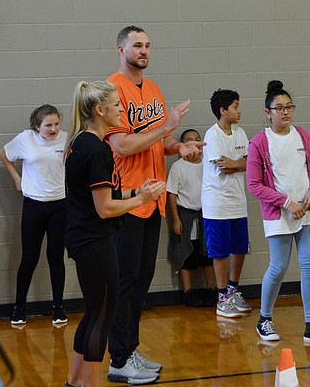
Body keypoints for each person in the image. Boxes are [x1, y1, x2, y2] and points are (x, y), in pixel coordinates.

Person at [105, 26, 202, 383]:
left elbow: (156, 141)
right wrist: (167, 130)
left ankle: (129, 349)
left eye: (148, 45)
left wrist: (180, 147)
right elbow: (122, 146)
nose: (144, 50)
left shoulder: (155, 89)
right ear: (121, 49)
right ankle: (118, 359)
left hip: (153, 198)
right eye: (137, 45)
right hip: (127, 200)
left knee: (141, 280)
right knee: (124, 281)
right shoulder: (112, 88)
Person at [64, 80, 166, 387]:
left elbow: (103, 195)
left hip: (84, 238)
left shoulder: (81, 142)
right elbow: (105, 208)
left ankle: (74, 383)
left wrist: (135, 190)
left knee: (94, 313)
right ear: (100, 110)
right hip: (94, 241)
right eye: (117, 106)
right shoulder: (97, 149)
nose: (122, 110)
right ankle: (89, 383)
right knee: (102, 317)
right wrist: (142, 200)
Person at [247, 81, 310, 346]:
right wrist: (286, 202)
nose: (285, 112)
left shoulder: (304, 136)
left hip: (308, 212)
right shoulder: (259, 142)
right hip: (279, 214)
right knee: (279, 266)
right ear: (268, 112)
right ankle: (264, 319)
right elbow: (254, 185)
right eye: (279, 108)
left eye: (289, 107)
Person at [0, 105, 69, 325]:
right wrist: (17, 179)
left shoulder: (67, 139)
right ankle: (19, 307)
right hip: (34, 206)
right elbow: (4, 154)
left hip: (59, 205)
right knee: (29, 258)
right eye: (48, 125)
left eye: (56, 124)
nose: (53, 129)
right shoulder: (25, 139)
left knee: (56, 257)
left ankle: (58, 306)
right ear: (37, 126)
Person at [201, 89, 250, 319]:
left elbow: (250, 164)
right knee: (219, 251)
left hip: (238, 200)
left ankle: (233, 289)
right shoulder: (211, 135)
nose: (239, 111)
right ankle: (221, 297)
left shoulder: (240, 134)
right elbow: (223, 165)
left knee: (240, 247)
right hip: (217, 202)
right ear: (223, 110)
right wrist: (238, 164)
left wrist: (238, 163)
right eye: (235, 106)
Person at [166, 128, 216, 307]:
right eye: (189, 140)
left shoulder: (208, 164)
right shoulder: (178, 167)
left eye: (197, 140)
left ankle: (211, 290)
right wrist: (176, 219)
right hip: (186, 215)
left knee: (208, 255)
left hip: (206, 214)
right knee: (187, 254)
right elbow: (171, 193)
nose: (194, 144)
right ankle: (187, 292)